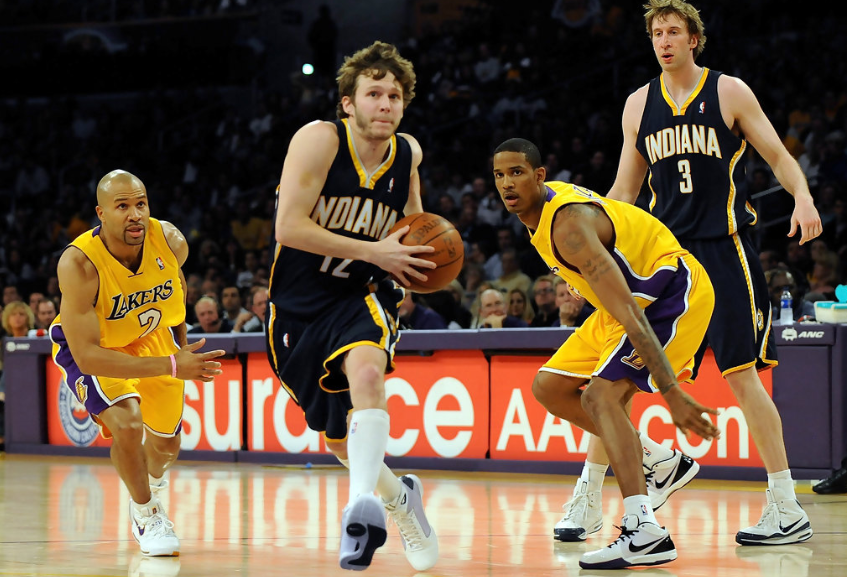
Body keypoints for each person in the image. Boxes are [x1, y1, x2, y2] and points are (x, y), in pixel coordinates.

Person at [577, 0, 820, 548]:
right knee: (625, 375)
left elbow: (779, 155)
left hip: (726, 248)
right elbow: (624, 192)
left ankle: (786, 505)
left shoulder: (729, 91)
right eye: (656, 33)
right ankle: (589, 495)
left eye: (673, 32)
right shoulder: (638, 105)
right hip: (667, 258)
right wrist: (595, 254)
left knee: (741, 374)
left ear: (694, 39)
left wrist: (801, 195)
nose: (663, 41)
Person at [492, 138, 720, 569]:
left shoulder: (568, 227)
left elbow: (633, 313)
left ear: (540, 176)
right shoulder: (540, 215)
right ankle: (659, 460)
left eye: (517, 172)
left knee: (600, 397)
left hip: (669, 292)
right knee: (550, 387)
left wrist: (671, 391)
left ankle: (644, 530)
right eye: (500, 175)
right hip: (622, 305)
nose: (507, 183)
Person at [265, 41, 438, 572]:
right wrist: (374, 249)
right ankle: (398, 498)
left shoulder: (407, 153)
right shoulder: (318, 140)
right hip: (297, 306)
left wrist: (416, 259)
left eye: (394, 95)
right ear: (348, 102)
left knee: (367, 371)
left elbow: (413, 225)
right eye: (373, 94)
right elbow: (288, 227)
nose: (385, 104)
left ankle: (359, 511)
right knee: (341, 442)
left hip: (360, 295)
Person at [49, 170, 226, 557]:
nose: (135, 214)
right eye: (123, 206)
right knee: (127, 423)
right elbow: (87, 356)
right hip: (99, 348)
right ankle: (147, 514)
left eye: (141, 204)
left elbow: (174, 302)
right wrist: (173, 366)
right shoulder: (79, 265)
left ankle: (149, 486)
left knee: (166, 447)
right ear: (101, 213)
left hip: (152, 339)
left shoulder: (171, 241)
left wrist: (179, 352)